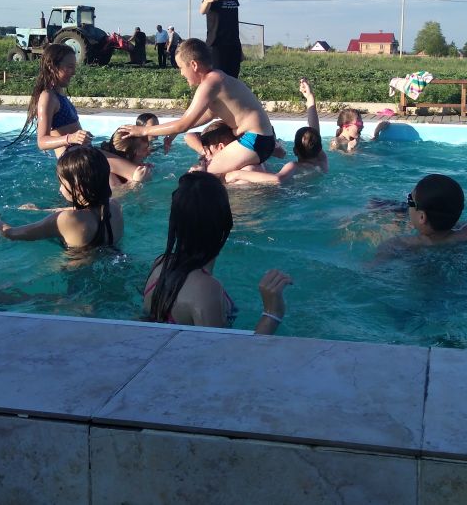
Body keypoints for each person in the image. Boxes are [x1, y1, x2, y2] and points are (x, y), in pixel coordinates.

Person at [142, 172, 291, 333]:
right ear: (225, 221)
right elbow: (218, 348)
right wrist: (272, 314)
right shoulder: (206, 290)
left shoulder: (160, 264)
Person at [116, 38, 276, 176]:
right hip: (261, 140)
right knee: (205, 167)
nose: (181, 74)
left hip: (255, 140)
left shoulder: (209, 84)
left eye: (181, 67)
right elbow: (208, 115)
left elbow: (184, 124)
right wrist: (175, 132)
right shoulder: (217, 78)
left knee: (199, 175)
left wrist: (143, 131)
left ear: (193, 65)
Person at [10, 44, 147, 185]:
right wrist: (71, 138)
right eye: (69, 67)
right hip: (75, 159)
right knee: (139, 174)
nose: (74, 72)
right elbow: (42, 142)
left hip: (84, 153)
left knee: (120, 181)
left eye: (74, 67)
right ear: (52, 67)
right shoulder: (48, 96)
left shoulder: (58, 94)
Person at [0, 147, 124, 250]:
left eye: (62, 183)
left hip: (77, 275)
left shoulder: (65, 219)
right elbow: (85, 211)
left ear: (77, 188)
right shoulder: (114, 205)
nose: (60, 188)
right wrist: (43, 210)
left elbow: (12, 234)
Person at [227, 77, 328, 185]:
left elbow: (278, 179)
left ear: (295, 151)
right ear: (319, 147)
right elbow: (315, 132)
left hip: (288, 193)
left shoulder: (294, 166)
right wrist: (310, 97)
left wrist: (238, 174)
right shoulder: (322, 163)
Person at [377, 174, 467, 254]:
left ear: (422, 217)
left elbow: (372, 269)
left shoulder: (400, 244)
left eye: (409, 200)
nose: (407, 203)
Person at [199, 0, 242, 77]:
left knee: (232, 80)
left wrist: (239, 48)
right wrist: (208, 0)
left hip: (233, 46)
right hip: (216, 46)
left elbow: (234, 23)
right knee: (217, 80)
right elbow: (202, 11)